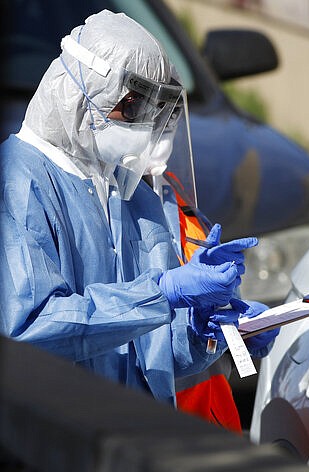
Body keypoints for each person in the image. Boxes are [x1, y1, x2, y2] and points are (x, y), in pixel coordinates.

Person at [0, 10, 263, 406]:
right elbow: (29, 329)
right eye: (132, 106)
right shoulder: (18, 181)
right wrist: (161, 293)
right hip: (52, 447)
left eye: (156, 111)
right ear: (79, 89)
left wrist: (205, 331)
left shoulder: (131, 195)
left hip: (133, 439)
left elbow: (150, 359)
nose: (143, 125)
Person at [146, 85, 280, 430]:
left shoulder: (171, 190)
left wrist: (241, 331)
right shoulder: (101, 207)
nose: (159, 125)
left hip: (213, 419)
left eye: (167, 114)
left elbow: (208, 316)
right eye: (145, 109)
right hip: (153, 428)